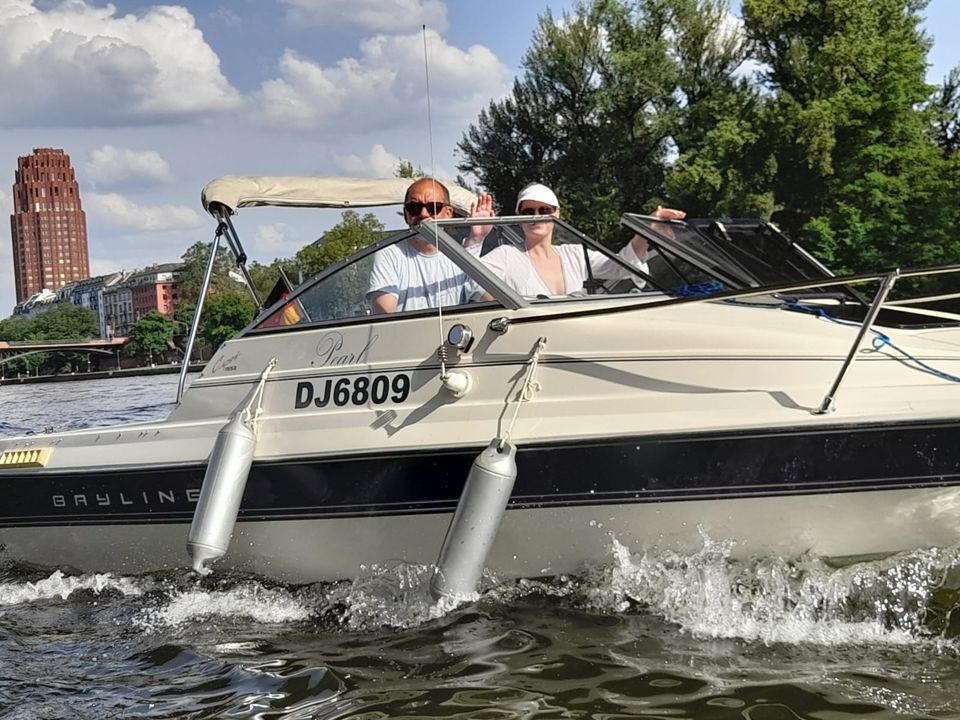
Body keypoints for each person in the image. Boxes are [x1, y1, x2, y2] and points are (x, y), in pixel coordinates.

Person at [481, 183, 685, 297]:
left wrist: (646, 231)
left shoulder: (575, 254)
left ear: (557, 214)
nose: (536, 215)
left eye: (544, 210)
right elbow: (474, 289)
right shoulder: (505, 256)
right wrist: (476, 237)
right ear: (519, 216)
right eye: (528, 211)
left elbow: (621, 266)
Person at [367, 178, 494, 313]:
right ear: (406, 215)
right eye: (414, 208)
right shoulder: (389, 254)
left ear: (448, 213)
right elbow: (384, 315)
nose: (423, 214)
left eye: (433, 207)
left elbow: (490, 300)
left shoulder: (461, 256)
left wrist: (476, 239)